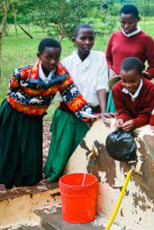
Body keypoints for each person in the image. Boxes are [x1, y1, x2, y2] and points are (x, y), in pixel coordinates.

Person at [0, 38, 92, 189]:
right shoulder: (22, 73)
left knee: (30, 152)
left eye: (56, 57)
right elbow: (12, 90)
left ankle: (27, 182)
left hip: (34, 117)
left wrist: (90, 116)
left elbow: (73, 96)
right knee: (12, 148)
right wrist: (27, 103)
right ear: (39, 56)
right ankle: (9, 181)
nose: (53, 62)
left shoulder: (62, 75)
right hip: (14, 113)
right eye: (48, 57)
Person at [44, 24, 109, 182]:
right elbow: (65, 92)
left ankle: (82, 180)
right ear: (75, 40)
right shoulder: (66, 63)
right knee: (63, 151)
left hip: (92, 112)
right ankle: (59, 178)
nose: (87, 42)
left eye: (91, 38)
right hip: (70, 112)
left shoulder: (100, 57)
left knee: (87, 153)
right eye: (83, 38)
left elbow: (101, 86)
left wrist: (103, 111)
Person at [106, 4, 154, 113]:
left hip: (136, 89)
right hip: (116, 87)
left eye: (130, 23)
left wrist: (144, 76)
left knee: (135, 122)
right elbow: (108, 58)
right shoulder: (115, 36)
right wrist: (110, 70)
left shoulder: (146, 40)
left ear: (137, 20)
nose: (126, 26)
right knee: (116, 120)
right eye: (122, 22)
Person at [113, 57, 154, 132]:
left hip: (146, 125)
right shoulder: (117, 89)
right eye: (124, 81)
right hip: (127, 124)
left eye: (132, 81)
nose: (128, 85)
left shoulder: (151, 89)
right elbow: (122, 110)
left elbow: (147, 114)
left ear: (141, 76)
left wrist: (135, 123)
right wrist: (121, 119)